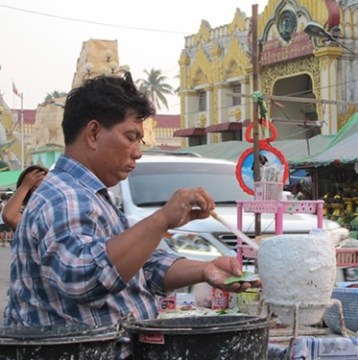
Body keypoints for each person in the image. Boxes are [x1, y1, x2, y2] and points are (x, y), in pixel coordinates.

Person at [3, 73, 259, 360]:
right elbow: (84, 277)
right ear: (93, 133)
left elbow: (143, 267)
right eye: (131, 137)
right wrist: (161, 219)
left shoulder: (92, 195)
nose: (138, 152)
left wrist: (205, 269)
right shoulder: (64, 197)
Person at [1, 165, 48, 231]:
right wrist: (25, 186)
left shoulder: (58, 209)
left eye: (45, 186)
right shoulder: (27, 217)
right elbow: (8, 217)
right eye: (36, 188)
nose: (42, 191)